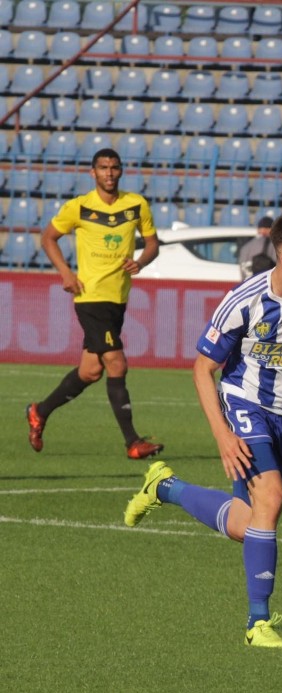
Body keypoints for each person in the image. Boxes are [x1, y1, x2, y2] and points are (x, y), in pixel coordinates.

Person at [123, 207, 282, 649]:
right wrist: (223, 435)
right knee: (271, 498)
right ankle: (258, 624)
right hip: (244, 404)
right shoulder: (243, 301)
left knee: (250, 522)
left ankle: (165, 488)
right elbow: (202, 369)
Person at [26, 148, 163, 460]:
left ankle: (39, 411)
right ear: (93, 172)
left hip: (118, 298)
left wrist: (140, 261)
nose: (109, 173)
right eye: (103, 167)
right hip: (90, 296)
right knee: (117, 363)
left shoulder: (136, 204)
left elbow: (153, 243)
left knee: (90, 371)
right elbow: (48, 238)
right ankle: (133, 442)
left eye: (114, 167)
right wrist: (65, 273)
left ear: (121, 170)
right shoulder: (79, 207)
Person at [238, 215, 275, 280]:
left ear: (258, 230)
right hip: (263, 284)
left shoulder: (246, 247)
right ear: (271, 229)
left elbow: (242, 270)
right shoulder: (273, 245)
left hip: (247, 284)